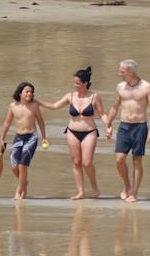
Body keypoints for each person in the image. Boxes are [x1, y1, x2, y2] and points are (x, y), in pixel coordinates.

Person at [39, 66, 106, 200]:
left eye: (77, 83)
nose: (75, 85)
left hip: (89, 132)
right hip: (72, 132)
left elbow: (102, 114)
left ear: (85, 83)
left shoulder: (94, 97)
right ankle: (80, 192)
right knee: (76, 162)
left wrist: (108, 127)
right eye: (74, 82)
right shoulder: (70, 96)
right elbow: (54, 106)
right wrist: (37, 102)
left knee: (87, 163)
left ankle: (93, 185)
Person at [104, 59, 150, 202]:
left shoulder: (147, 87)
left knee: (137, 160)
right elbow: (115, 106)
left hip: (140, 126)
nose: (119, 73)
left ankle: (134, 192)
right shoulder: (120, 87)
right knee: (119, 159)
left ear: (131, 71)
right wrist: (108, 124)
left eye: (122, 71)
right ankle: (127, 184)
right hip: (124, 126)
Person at [0, 81, 48, 200]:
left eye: (31, 92)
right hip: (18, 138)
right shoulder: (12, 106)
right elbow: (7, 123)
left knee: (22, 166)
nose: (29, 94)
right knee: (14, 166)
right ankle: (24, 183)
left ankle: (19, 192)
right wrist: (2, 138)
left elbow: (40, 121)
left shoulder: (34, 106)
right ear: (20, 93)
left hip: (31, 137)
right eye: (27, 91)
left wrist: (44, 137)